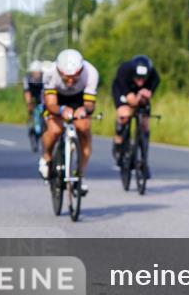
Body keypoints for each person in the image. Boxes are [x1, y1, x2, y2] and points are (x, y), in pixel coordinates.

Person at [39, 48, 99, 194]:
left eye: (75, 77)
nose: (71, 81)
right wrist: (61, 110)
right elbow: (50, 103)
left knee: (84, 129)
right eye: (66, 78)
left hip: (79, 99)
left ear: (81, 71)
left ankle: (80, 176)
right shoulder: (50, 72)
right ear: (60, 72)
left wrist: (84, 110)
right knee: (55, 130)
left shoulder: (91, 72)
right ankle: (46, 156)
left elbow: (90, 104)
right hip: (56, 99)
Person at [111, 54, 160, 167]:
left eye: (143, 78)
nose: (141, 81)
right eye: (138, 78)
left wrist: (149, 92)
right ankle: (119, 140)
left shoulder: (153, 75)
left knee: (145, 123)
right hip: (123, 90)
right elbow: (131, 99)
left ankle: (143, 157)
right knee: (125, 114)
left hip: (140, 94)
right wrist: (132, 98)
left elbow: (153, 85)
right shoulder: (124, 70)